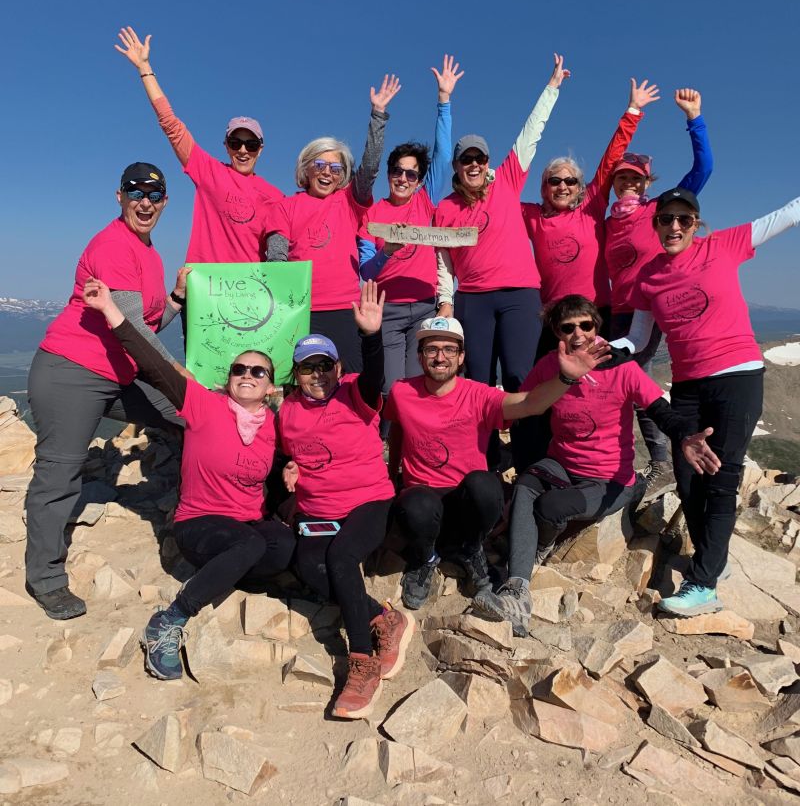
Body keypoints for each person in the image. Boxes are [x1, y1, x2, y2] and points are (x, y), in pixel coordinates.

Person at [82, 278, 296, 680]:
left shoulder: (273, 425)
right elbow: (154, 365)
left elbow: (304, 450)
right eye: (239, 369)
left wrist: (293, 465)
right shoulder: (203, 404)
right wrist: (111, 310)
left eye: (258, 371)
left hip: (247, 522)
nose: (247, 374)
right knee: (251, 544)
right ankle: (171, 618)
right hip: (200, 524)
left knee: (284, 546)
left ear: (270, 386)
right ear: (229, 378)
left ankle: (228, 575)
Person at [473, 295, 720, 637]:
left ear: (596, 326)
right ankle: (517, 592)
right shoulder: (550, 365)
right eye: (568, 328)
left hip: (609, 479)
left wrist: (683, 435)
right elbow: (525, 407)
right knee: (527, 483)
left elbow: (659, 410)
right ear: (557, 333)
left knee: (550, 506)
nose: (578, 334)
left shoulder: (621, 367)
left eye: (585, 325)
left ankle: (540, 545)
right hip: (562, 464)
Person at [612, 187, 800, 616]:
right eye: (666, 219)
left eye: (684, 218)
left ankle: (704, 584)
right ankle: (712, 558)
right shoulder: (648, 276)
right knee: (687, 474)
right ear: (656, 224)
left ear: (696, 223)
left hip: (738, 377)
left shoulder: (723, 245)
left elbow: (787, 215)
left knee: (721, 476)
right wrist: (610, 347)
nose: (675, 226)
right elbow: (638, 337)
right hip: (688, 385)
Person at [26, 164, 185, 620]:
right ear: (120, 197)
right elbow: (132, 328)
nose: (145, 202)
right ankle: (45, 579)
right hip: (71, 372)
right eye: (135, 193)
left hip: (119, 374)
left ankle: (200, 514)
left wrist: (175, 299)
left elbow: (147, 323)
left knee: (189, 417)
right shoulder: (113, 245)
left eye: (154, 195)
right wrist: (180, 376)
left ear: (165, 202)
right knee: (60, 474)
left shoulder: (149, 252)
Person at [385, 314, 613, 611]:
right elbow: (398, 431)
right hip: (424, 503)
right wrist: (391, 475)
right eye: (432, 349)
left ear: (461, 356)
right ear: (420, 356)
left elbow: (530, 403)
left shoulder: (478, 395)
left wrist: (566, 378)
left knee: (485, 483)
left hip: (466, 504)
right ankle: (426, 558)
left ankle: (472, 549)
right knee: (416, 504)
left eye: (449, 349)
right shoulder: (402, 392)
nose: (440, 357)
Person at [279, 282, 413, 719]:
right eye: (308, 368)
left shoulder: (355, 392)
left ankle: (362, 662)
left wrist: (371, 336)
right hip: (319, 510)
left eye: (325, 366)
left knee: (340, 558)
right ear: (296, 373)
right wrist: (287, 471)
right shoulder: (287, 410)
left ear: (337, 368)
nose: (317, 375)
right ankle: (385, 618)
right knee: (308, 567)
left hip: (368, 502)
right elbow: (283, 453)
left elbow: (375, 376)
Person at [433, 54, 570, 466]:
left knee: (519, 378)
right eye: (466, 160)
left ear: (488, 163)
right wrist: (446, 302)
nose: (474, 165)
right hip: (473, 299)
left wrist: (552, 88)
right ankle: (484, 461)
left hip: (519, 296)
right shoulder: (445, 207)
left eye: (480, 159)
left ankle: (530, 463)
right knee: (476, 380)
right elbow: (443, 263)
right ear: (457, 166)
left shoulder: (507, 181)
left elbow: (531, 133)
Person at [605, 89, 713, 488]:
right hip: (617, 312)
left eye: (636, 177)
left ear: (646, 181)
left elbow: (704, 169)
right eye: (622, 177)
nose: (628, 183)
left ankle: (659, 460)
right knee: (625, 382)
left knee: (633, 381)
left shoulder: (659, 212)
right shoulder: (608, 222)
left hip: (647, 311)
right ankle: (635, 459)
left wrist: (694, 119)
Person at [265, 77, 402, 373]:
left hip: (345, 308)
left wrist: (378, 116)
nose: (327, 172)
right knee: (303, 384)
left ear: (343, 176)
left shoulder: (349, 201)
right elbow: (276, 258)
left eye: (336, 168)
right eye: (320, 165)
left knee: (351, 381)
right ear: (305, 168)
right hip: (301, 311)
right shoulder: (285, 207)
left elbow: (369, 169)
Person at [115, 27, 284, 265]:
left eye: (251, 144)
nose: (243, 150)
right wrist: (145, 69)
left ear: (261, 149)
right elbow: (171, 125)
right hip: (204, 284)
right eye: (235, 143)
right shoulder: (208, 171)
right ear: (226, 146)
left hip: (249, 286)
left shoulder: (275, 197)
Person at [358, 55, 463, 432]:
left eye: (411, 174)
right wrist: (386, 253)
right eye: (397, 172)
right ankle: (388, 446)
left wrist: (444, 100)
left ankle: (415, 446)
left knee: (420, 385)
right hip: (386, 310)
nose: (403, 179)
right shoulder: (372, 214)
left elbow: (443, 153)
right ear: (388, 174)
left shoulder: (425, 201)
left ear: (420, 180)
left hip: (423, 307)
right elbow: (365, 270)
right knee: (390, 387)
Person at [522, 77, 661, 358]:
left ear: (580, 187)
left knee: (601, 376)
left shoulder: (591, 205)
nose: (563, 186)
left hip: (597, 312)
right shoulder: (532, 215)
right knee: (552, 378)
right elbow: (499, 202)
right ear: (544, 187)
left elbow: (611, 158)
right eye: (554, 181)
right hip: (555, 316)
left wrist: (633, 111)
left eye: (570, 181)